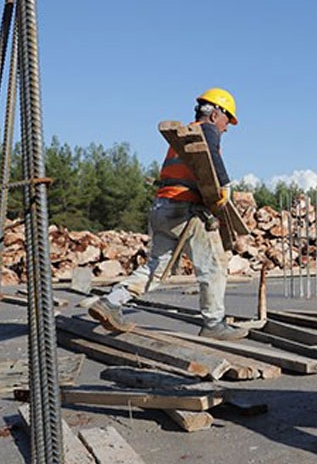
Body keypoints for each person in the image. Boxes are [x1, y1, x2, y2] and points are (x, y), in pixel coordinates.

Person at [87, 88, 248, 340]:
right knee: (215, 266)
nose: (227, 128)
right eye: (228, 120)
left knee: (157, 268)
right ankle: (214, 323)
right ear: (216, 113)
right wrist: (225, 188)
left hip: (163, 207)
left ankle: (112, 301)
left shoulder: (183, 137)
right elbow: (213, 160)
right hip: (186, 211)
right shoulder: (206, 131)